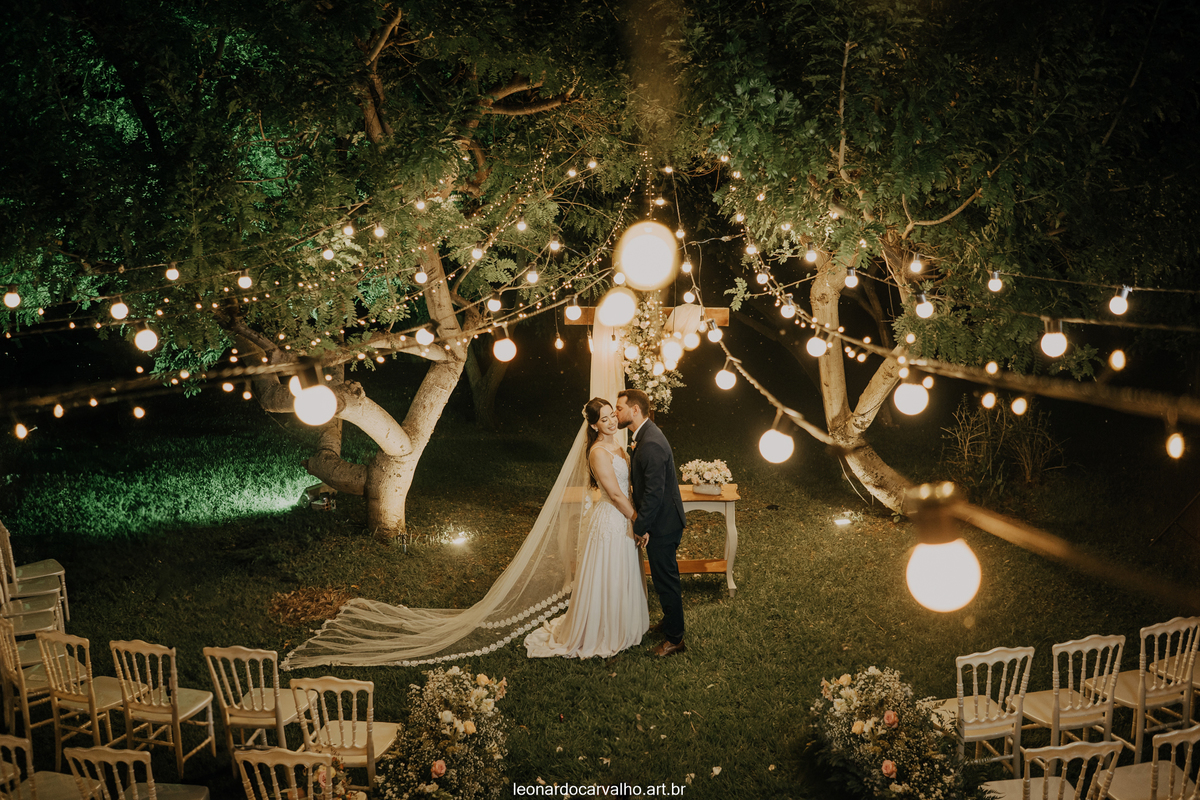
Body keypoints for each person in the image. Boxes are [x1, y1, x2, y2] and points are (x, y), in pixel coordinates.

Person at [524, 398, 650, 659]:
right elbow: (615, 494)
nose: (612, 421)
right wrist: (638, 521)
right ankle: (602, 631)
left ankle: (624, 624)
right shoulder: (598, 452)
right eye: (604, 419)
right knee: (609, 574)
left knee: (623, 571)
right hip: (611, 519)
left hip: (624, 515)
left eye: (612, 415)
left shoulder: (618, 445)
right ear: (594, 425)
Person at [616, 389, 687, 657]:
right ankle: (669, 623)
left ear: (635, 410)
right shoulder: (644, 436)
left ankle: (675, 639)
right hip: (661, 520)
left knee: (666, 581)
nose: (616, 413)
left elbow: (654, 494)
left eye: (619, 408)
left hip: (664, 524)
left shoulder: (651, 443)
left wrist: (640, 526)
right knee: (661, 577)